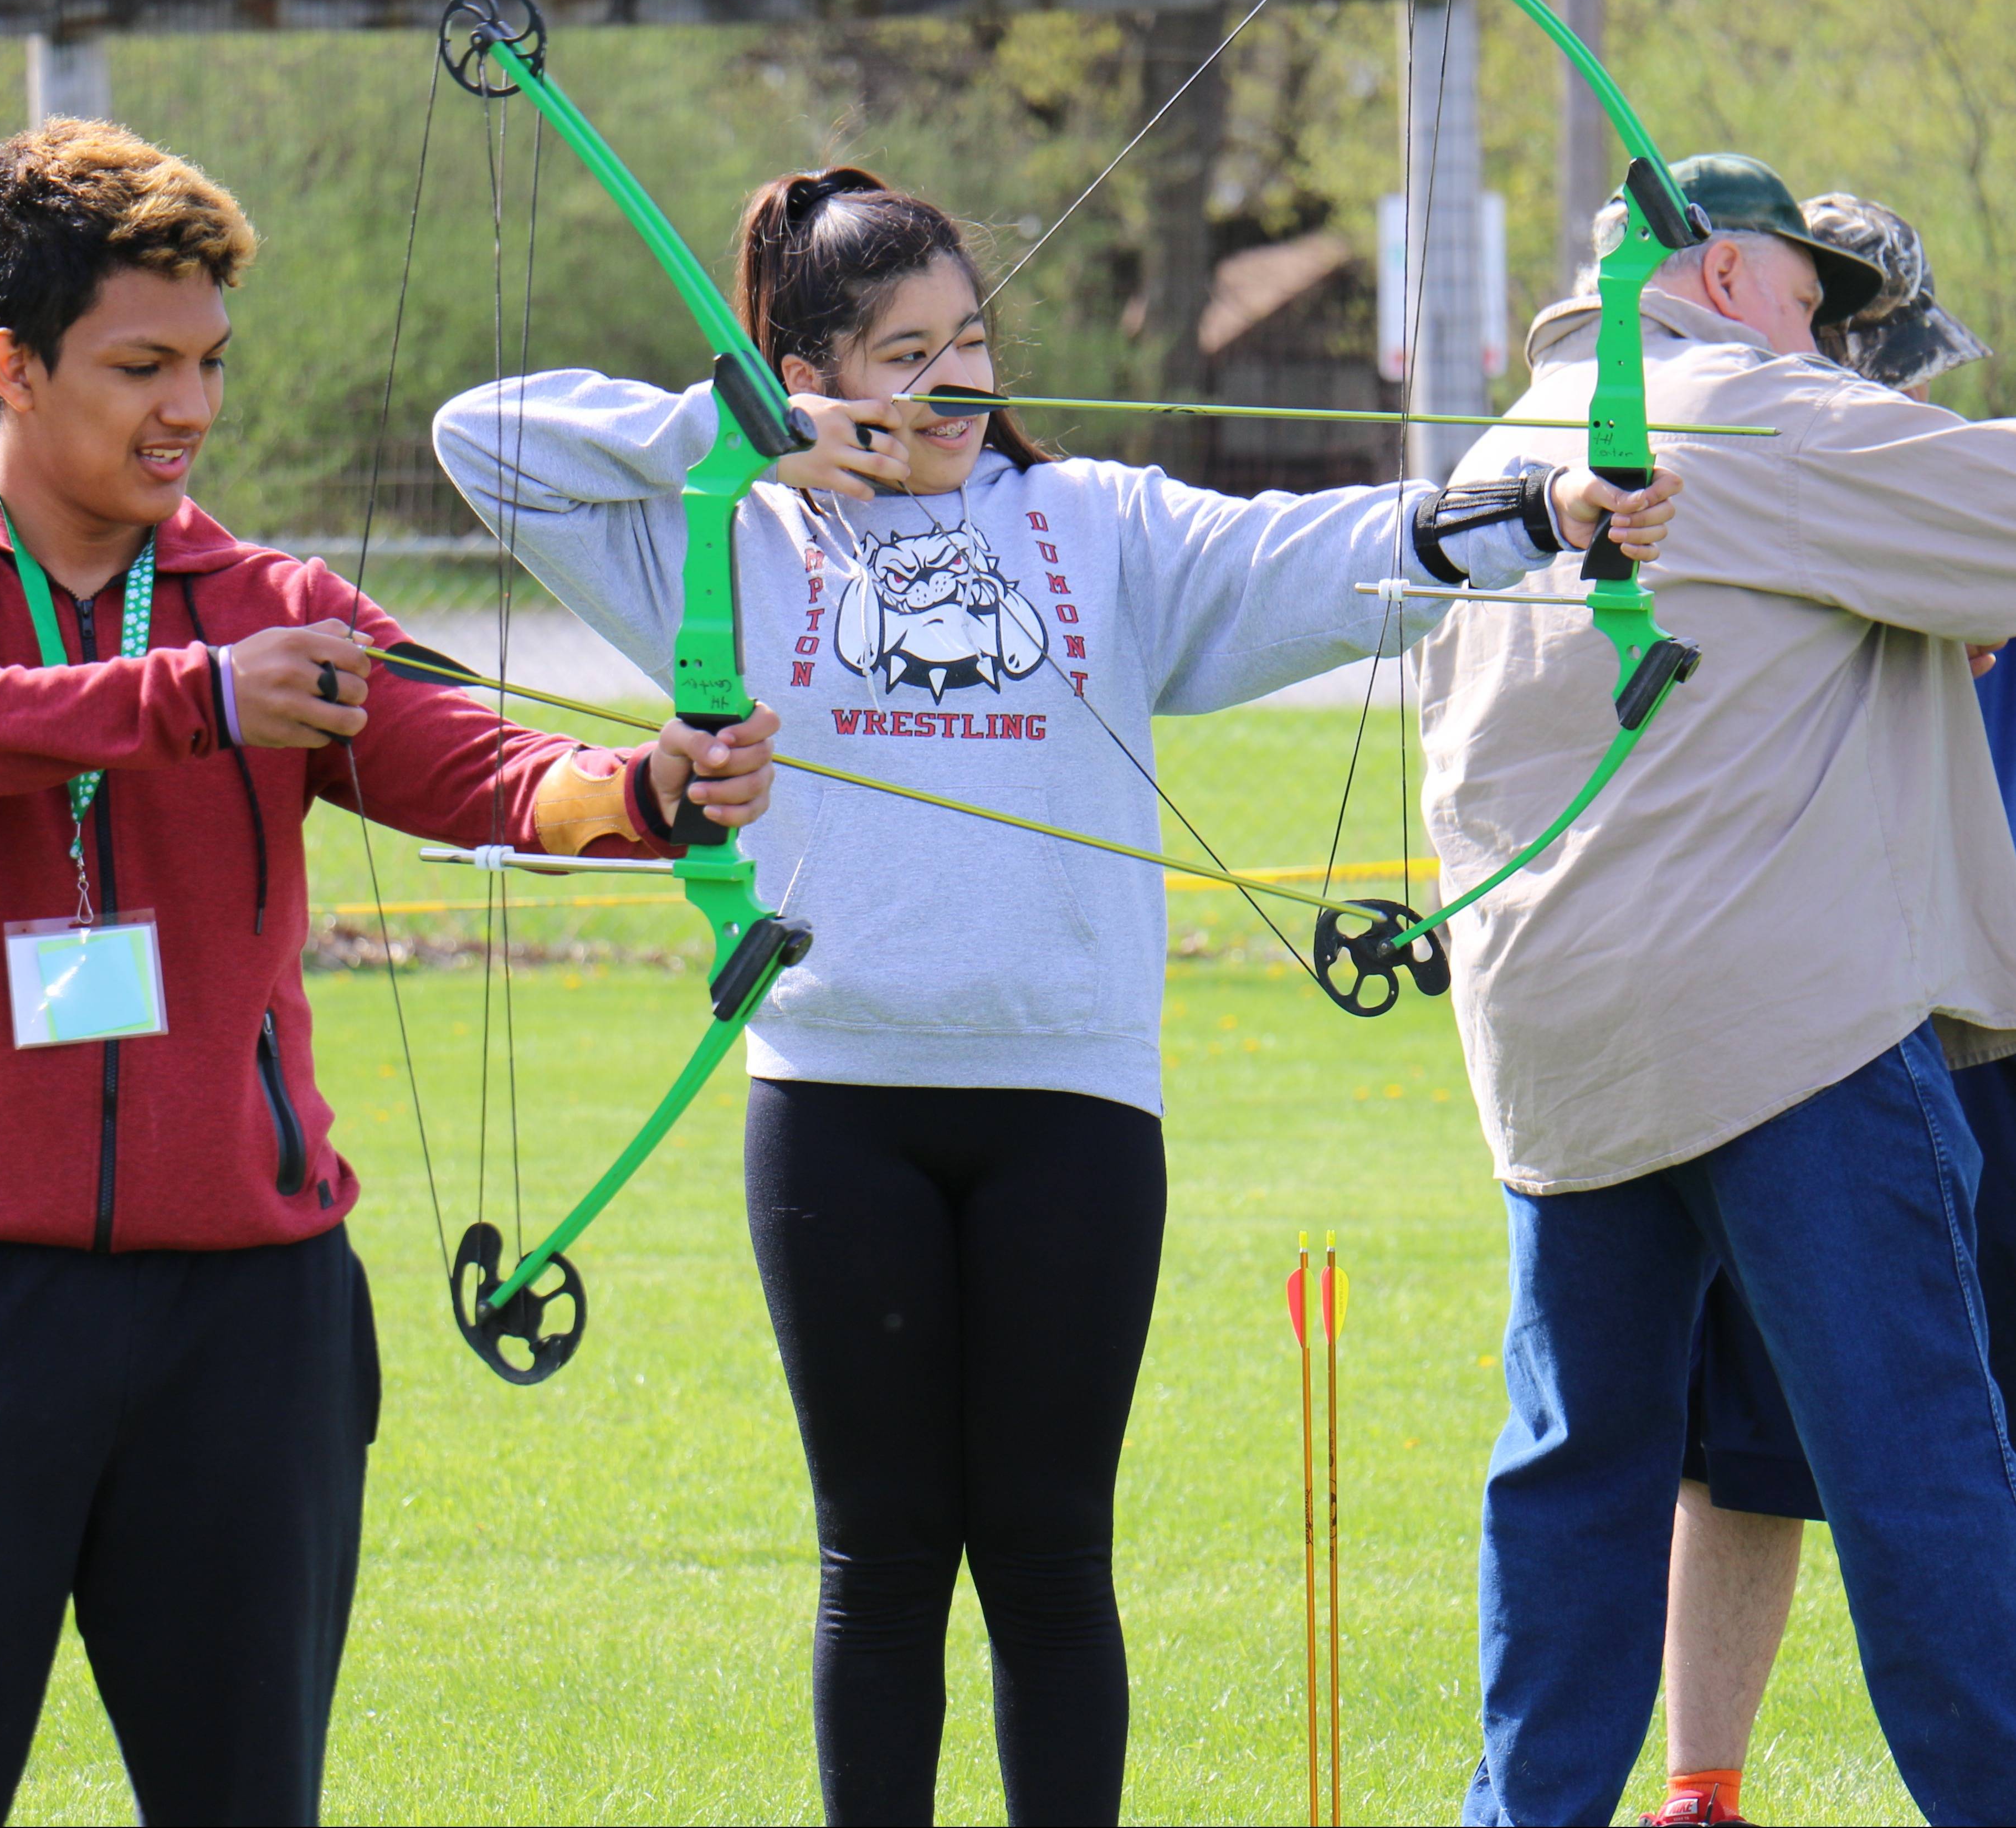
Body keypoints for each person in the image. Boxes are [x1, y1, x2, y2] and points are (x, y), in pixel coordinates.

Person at [430, 164, 1679, 1827]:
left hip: (1071, 1108)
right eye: (902, 353)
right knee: (877, 1562)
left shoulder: (1097, 523)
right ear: (804, 369)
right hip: (836, 1107)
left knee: (1046, 1557)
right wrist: (738, 440)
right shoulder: (723, 540)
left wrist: (1548, 511)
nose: (955, 383)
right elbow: (480, 434)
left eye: (969, 342)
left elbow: (1324, 550)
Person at [0, 119, 777, 1828]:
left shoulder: (269, 603)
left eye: (208, 361)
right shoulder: (228, 654)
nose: (187, 407)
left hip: (246, 1322)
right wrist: (188, 700)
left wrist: (645, 792)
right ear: (12, 364)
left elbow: (486, 769)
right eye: (138, 364)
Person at [1410, 150, 2016, 1828]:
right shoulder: (1758, 414)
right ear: (1734, 278)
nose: (1824, 348)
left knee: (1575, 1478)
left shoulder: (1497, 457)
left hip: (1562, 1061)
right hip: (1786, 1034)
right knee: (1918, 1469)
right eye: (1815, 310)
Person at [1639, 192, 2006, 1828]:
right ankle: (1701, 1787)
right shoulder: (1751, 512)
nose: (1899, 403)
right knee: (1743, 1441)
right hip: (1796, 1036)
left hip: (1976, 1035)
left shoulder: (1947, 510)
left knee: (1956, 1446)